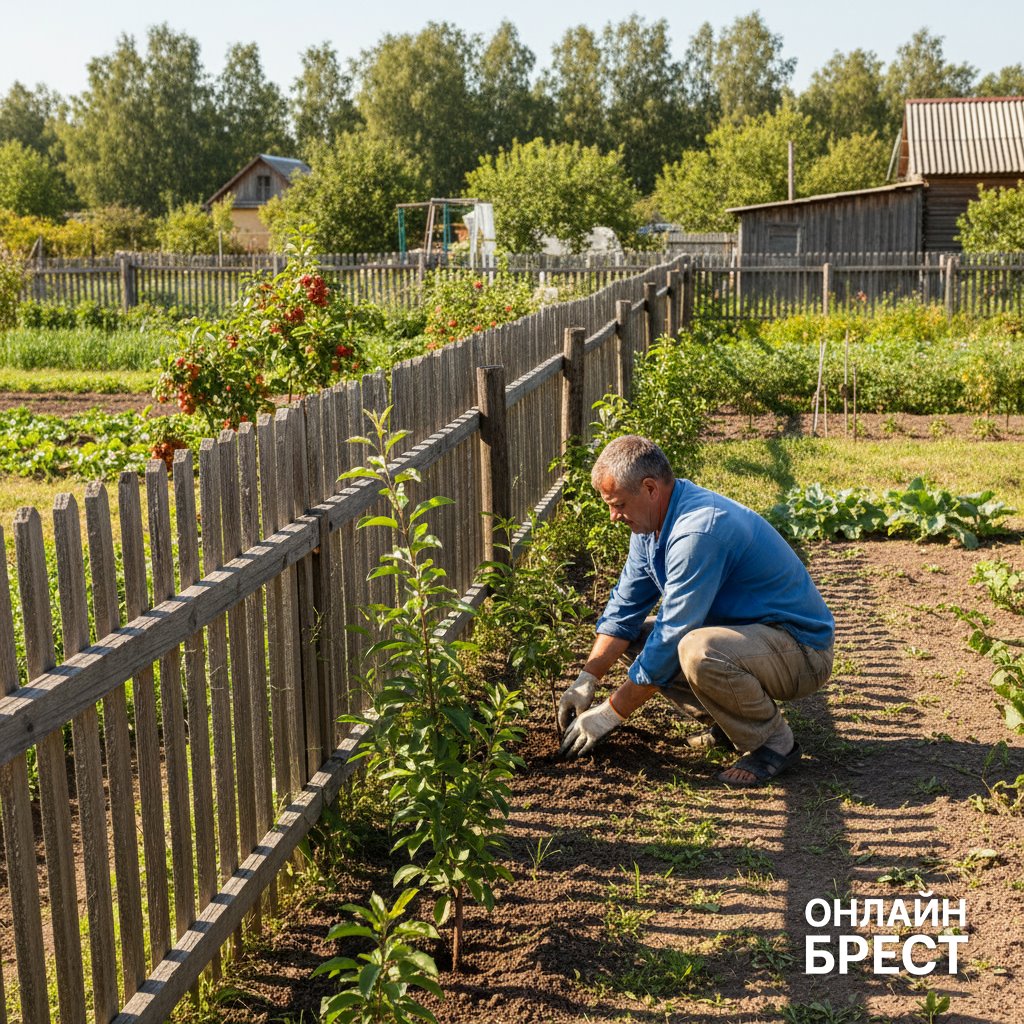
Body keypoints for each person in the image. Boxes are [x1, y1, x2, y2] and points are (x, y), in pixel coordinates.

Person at [557, 435, 834, 786]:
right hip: (751, 641)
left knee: (696, 650)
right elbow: (623, 610)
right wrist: (588, 678)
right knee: (638, 640)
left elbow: (673, 634)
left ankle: (774, 743)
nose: (614, 516)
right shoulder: (650, 526)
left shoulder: (697, 532)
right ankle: (728, 724)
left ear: (650, 488)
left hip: (800, 651)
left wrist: (610, 715)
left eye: (619, 504)